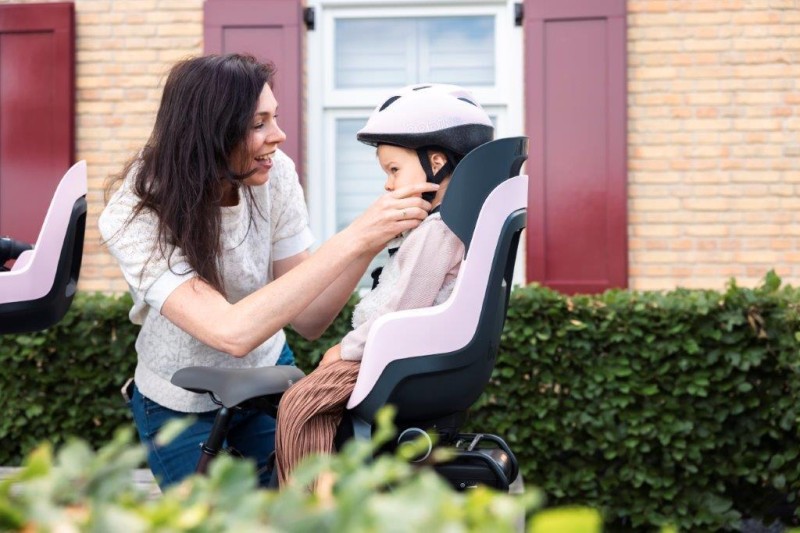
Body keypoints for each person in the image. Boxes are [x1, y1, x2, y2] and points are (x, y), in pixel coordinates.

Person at [98, 54, 436, 489]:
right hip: (178, 403)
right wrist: (354, 236)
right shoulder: (136, 212)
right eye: (258, 124)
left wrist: (372, 239)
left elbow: (311, 319)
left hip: (266, 376)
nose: (278, 136)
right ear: (208, 132)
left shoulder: (274, 177)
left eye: (274, 118)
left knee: (302, 510)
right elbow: (230, 333)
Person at [273, 83, 494, 487]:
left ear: (438, 161)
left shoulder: (438, 232)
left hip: (386, 358)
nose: (389, 185)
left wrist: (346, 349)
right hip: (395, 356)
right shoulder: (447, 228)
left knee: (299, 406)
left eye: (394, 170)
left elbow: (402, 310)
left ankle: (307, 508)